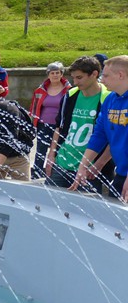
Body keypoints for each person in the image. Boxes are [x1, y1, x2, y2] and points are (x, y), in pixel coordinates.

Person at [45, 56, 111, 190]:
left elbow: (113, 136)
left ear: (94, 74)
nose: (75, 82)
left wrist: (99, 164)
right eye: (73, 78)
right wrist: (51, 155)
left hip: (90, 168)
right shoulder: (70, 95)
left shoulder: (108, 98)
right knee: (49, 200)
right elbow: (59, 127)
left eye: (79, 78)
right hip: (62, 162)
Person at [73, 55, 128, 202]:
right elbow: (99, 135)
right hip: (121, 174)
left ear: (120, 75)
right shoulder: (110, 99)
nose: (102, 80)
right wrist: (83, 166)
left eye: (106, 76)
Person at [29, 62, 71, 179]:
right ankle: (37, 173)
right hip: (43, 124)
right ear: (48, 75)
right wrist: (32, 124)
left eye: (57, 73)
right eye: (52, 73)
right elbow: (34, 107)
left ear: (62, 74)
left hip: (60, 126)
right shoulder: (40, 90)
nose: (55, 75)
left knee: (58, 150)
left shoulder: (69, 90)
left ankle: (54, 174)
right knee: (40, 150)